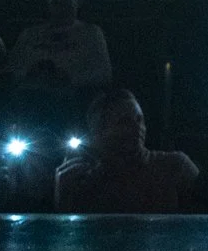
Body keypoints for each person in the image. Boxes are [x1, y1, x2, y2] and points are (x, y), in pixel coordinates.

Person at [55, 88, 198, 213]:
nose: (137, 127)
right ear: (99, 132)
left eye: (139, 119)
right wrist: (63, 194)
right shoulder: (83, 179)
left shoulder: (175, 167)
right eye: (124, 122)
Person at [6, 0, 114, 93]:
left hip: (74, 96)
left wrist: (70, 79)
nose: (61, 10)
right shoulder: (29, 34)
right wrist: (31, 74)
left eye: (66, 4)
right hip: (30, 94)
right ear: (48, 3)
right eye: (56, 3)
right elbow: (12, 69)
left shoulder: (91, 33)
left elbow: (103, 73)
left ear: (78, 3)